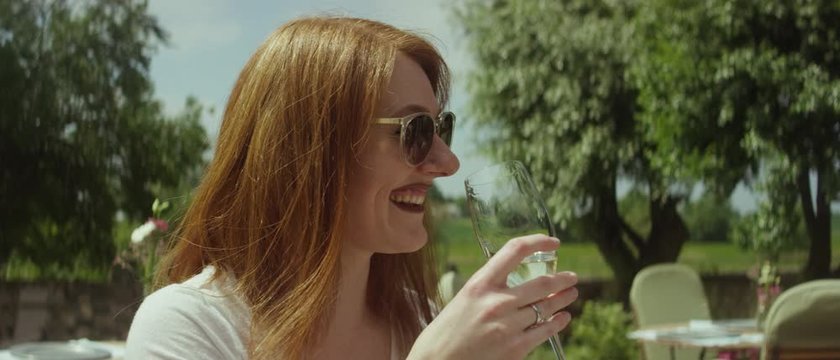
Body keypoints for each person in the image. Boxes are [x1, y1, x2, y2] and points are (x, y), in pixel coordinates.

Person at [125, 16, 578, 360]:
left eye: (443, 128)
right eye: (415, 130)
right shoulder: (191, 328)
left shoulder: (418, 320)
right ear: (310, 150)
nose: (448, 162)